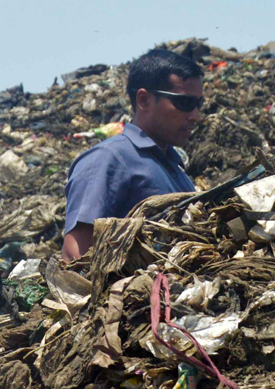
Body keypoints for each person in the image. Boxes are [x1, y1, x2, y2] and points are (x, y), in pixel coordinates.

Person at [62, 49, 203, 261]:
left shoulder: (177, 170)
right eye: (184, 103)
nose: (195, 116)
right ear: (144, 100)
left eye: (199, 104)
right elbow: (76, 255)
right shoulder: (109, 159)